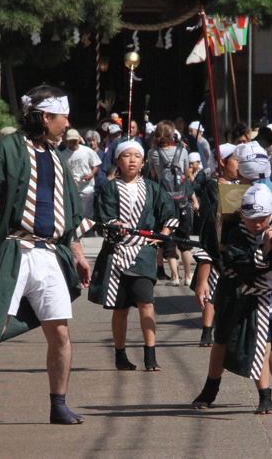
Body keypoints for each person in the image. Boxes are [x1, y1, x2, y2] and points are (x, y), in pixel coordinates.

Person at [0, 85, 93, 429]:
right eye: (63, 117)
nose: (67, 123)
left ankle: (58, 403)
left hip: (50, 252)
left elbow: (69, 212)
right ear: (45, 117)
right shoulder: (7, 149)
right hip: (13, 248)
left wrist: (77, 252)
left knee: (59, 330)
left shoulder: (57, 157)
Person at [191, 184, 272, 414]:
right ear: (241, 214)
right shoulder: (234, 231)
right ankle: (247, 393)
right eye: (250, 218)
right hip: (241, 293)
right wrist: (264, 249)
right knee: (230, 341)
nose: (256, 224)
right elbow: (238, 263)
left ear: (271, 213)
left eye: (261, 219)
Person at [89, 140, 178, 371]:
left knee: (146, 303)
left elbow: (168, 211)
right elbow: (103, 218)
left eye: (136, 156)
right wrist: (113, 224)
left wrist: (164, 233)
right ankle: (120, 355)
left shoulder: (152, 187)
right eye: (126, 156)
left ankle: (151, 355)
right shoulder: (109, 188)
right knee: (120, 309)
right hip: (117, 253)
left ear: (143, 162)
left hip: (143, 252)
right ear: (118, 160)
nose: (131, 160)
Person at [192, 143, 239, 346]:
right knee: (212, 289)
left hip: (237, 246)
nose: (240, 164)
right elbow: (210, 219)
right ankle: (206, 331)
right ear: (222, 162)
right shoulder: (213, 186)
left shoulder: (244, 185)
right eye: (236, 160)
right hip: (217, 244)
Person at [148, 120, 199, 286]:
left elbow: (155, 175)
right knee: (184, 239)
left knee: (168, 238)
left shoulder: (153, 153)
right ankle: (189, 276)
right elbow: (185, 173)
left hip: (164, 201)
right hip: (182, 200)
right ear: (173, 134)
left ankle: (175, 276)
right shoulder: (182, 151)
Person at [60, 128, 102, 219]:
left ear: (79, 139)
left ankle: (87, 230)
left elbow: (96, 164)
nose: (74, 142)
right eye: (71, 141)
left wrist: (91, 174)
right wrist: (69, 180)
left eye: (75, 140)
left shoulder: (87, 151)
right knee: (74, 213)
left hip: (87, 188)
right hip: (71, 189)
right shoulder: (63, 155)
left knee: (87, 214)